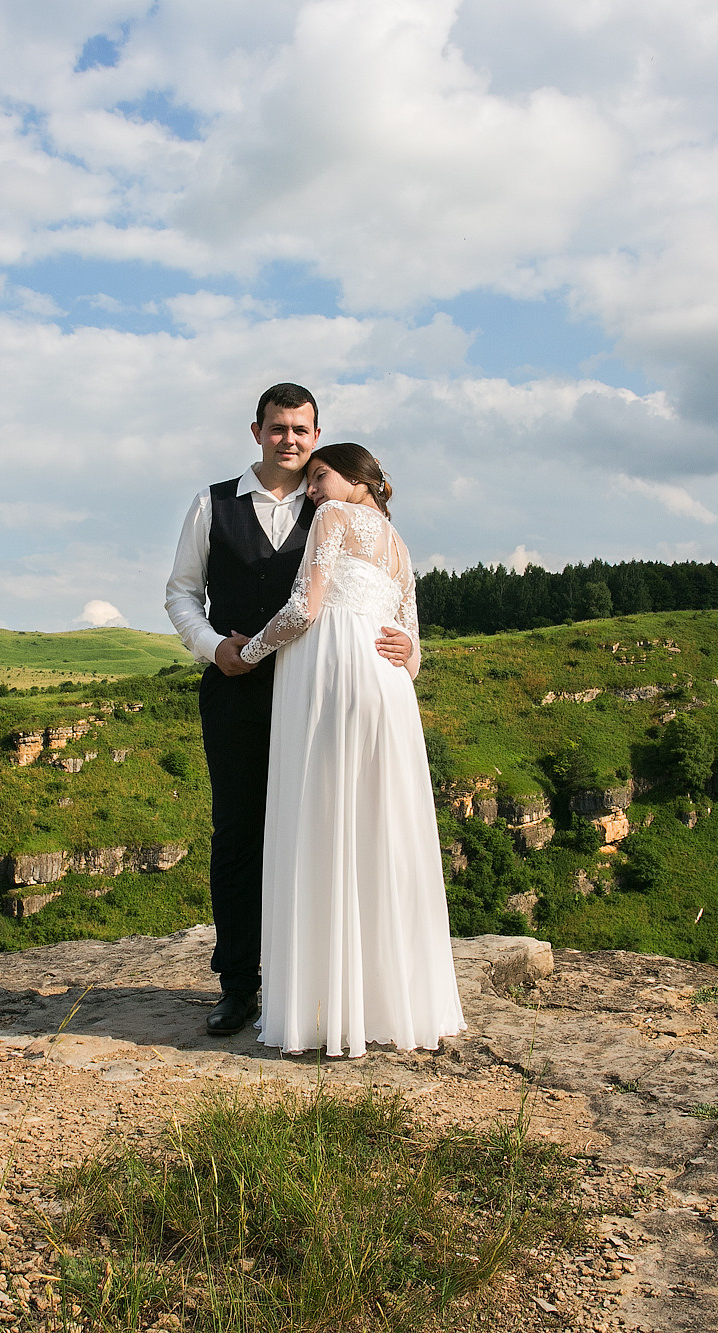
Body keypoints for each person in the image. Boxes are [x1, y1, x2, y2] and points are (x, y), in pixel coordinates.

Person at [165, 385, 414, 1038]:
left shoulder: (338, 502)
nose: (291, 440)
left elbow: (388, 594)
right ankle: (239, 986)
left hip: (326, 690)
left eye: (302, 429)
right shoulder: (211, 504)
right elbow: (182, 592)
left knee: (328, 834)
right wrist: (213, 646)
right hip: (238, 689)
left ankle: (323, 992)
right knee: (240, 836)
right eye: (279, 428)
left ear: (317, 431)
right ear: (257, 431)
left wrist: (410, 645)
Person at [228, 443, 464, 1056]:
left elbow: (306, 608)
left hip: (332, 673)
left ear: (357, 478)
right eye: (308, 482)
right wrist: (405, 656)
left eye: (320, 476)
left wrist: (248, 652)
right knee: (382, 827)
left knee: (324, 820)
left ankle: (326, 1006)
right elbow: (413, 644)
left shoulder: (334, 519)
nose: (311, 491)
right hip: (385, 686)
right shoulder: (397, 542)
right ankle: (392, 1005)